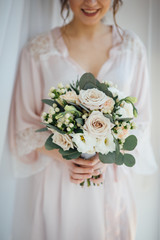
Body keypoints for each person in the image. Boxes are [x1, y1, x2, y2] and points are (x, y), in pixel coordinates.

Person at [9, 0, 157, 239]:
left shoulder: (132, 48)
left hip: (113, 182)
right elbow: (23, 127)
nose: (90, 2)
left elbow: (142, 122)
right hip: (60, 183)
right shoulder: (38, 51)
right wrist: (65, 155)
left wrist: (108, 157)